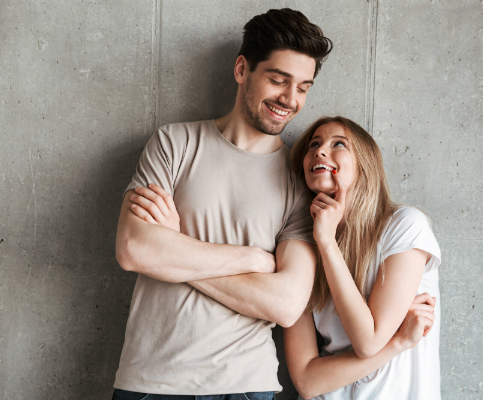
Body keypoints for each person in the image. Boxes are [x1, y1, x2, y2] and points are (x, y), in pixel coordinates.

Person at [112, 9, 332, 400]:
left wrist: (174, 248)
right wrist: (250, 258)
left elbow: (285, 304)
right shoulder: (174, 144)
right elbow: (134, 249)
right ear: (242, 69)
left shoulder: (301, 181)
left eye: (303, 87)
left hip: (247, 387)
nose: (290, 99)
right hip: (151, 381)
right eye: (278, 80)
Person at [283, 116, 442, 400]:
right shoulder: (303, 247)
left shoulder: (404, 226)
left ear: (364, 163)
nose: (319, 151)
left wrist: (327, 242)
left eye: (338, 144)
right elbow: (306, 381)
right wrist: (399, 342)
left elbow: (367, 342)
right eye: (314, 145)